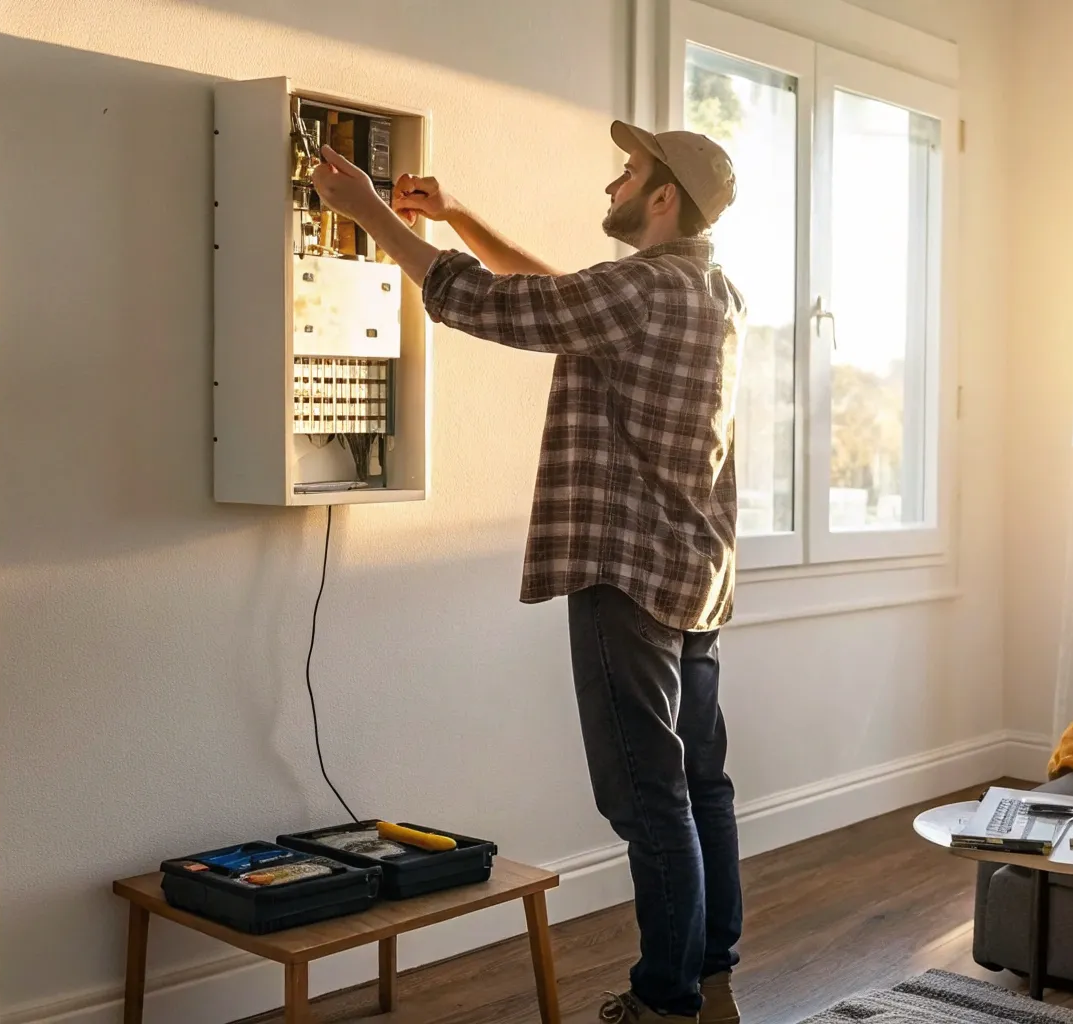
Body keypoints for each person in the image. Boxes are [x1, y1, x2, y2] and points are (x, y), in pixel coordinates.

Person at [306, 122, 745, 1024]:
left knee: (647, 800)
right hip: (693, 573)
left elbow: (504, 308)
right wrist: (462, 215)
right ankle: (709, 975)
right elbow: (562, 294)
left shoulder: (647, 289)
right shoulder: (704, 286)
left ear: (663, 198)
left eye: (631, 173)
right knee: (700, 785)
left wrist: (371, 213)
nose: (615, 182)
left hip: (626, 573)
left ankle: (664, 1004)